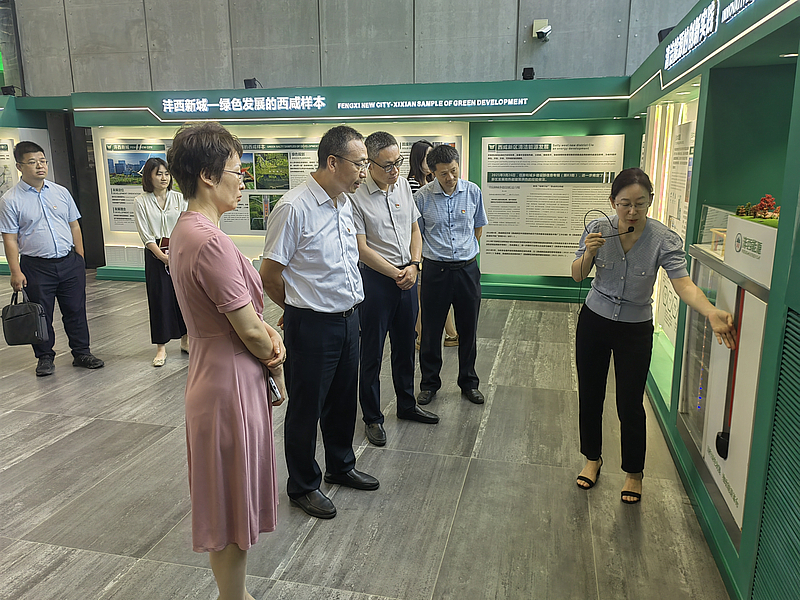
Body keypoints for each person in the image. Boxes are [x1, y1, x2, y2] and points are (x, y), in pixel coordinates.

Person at [166, 122, 287, 600]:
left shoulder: (186, 230)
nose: (244, 180)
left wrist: (264, 332)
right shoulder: (210, 241)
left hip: (211, 371)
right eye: (238, 171)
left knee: (224, 496)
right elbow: (249, 330)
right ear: (207, 175)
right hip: (229, 383)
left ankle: (233, 594)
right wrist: (273, 346)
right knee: (232, 503)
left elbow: (240, 318)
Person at [572, 167, 736, 504]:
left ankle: (634, 472)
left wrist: (710, 311)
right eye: (625, 203)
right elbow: (577, 275)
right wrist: (589, 252)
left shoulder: (663, 238)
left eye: (640, 203)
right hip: (594, 321)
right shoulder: (597, 228)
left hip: (635, 328)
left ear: (650, 200)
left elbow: (683, 284)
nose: (632, 211)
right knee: (590, 395)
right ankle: (592, 459)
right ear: (613, 201)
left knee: (630, 402)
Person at [260, 125, 379, 520]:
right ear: (333, 162)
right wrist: (296, 307)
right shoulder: (294, 207)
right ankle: (303, 485)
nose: (364, 171)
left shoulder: (344, 202)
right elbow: (269, 275)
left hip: (348, 319)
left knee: (343, 400)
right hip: (311, 325)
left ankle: (340, 465)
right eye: (359, 163)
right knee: (306, 408)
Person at [351, 131, 439, 448]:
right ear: (369, 164)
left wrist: (414, 265)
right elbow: (361, 248)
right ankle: (372, 417)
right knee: (372, 352)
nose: (395, 170)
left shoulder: (402, 185)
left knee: (405, 344)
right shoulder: (356, 196)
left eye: (398, 162)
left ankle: (406, 404)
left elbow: (415, 228)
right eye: (387, 165)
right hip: (376, 281)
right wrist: (396, 272)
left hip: (408, 275)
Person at [0, 141, 104, 376]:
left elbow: (74, 225)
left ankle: (82, 353)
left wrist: (80, 256)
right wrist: (15, 271)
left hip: (69, 263)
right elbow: (10, 239)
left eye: (43, 161)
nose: (40, 166)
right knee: (40, 314)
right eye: (32, 162)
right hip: (36, 266)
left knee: (76, 310)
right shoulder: (10, 200)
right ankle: (45, 357)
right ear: (19, 166)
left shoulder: (60, 192)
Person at [415, 144, 487, 407]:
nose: (450, 177)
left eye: (454, 171)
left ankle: (469, 383)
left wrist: (465, 252)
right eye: (444, 173)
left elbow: (477, 228)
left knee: (469, 328)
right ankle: (429, 384)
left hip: (467, 269)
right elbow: (418, 235)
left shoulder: (472, 191)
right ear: (433, 172)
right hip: (436, 271)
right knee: (431, 331)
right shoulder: (422, 197)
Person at [134, 157, 189, 366]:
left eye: (166, 173)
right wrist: (163, 257)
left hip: (179, 251)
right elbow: (146, 235)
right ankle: (161, 348)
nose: (164, 178)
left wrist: (176, 254)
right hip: (155, 254)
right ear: (149, 177)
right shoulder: (141, 201)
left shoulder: (179, 198)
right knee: (159, 299)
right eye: (159, 174)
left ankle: (186, 340)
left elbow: (186, 225)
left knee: (183, 298)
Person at [408, 140, 458, 348]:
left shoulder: (432, 181)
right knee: (424, 299)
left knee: (437, 298)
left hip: (438, 255)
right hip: (424, 254)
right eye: (427, 157)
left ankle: (450, 334)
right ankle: (422, 337)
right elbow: (415, 226)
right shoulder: (413, 185)